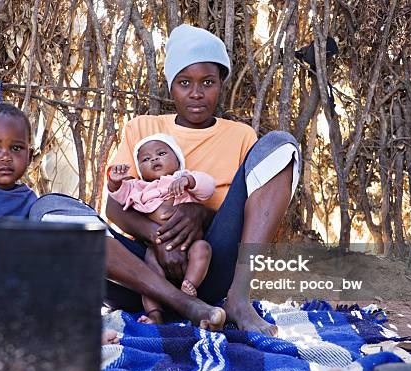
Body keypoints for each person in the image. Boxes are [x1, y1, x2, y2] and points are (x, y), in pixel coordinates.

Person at [104, 24, 301, 335]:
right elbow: (113, 208)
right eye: (184, 83)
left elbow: (240, 213)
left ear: (221, 84)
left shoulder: (240, 136)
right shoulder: (142, 128)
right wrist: (162, 237)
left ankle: (238, 299)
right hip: (144, 272)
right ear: (171, 87)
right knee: (57, 211)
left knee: (281, 145)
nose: (196, 93)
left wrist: (202, 213)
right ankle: (182, 305)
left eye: (208, 82)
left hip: (212, 267)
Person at [108, 133, 215, 324]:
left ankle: (189, 287)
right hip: (154, 248)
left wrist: (189, 181)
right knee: (149, 270)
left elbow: (208, 187)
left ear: (178, 159)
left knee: (202, 249)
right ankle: (154, 314)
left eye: (161, 153)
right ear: (140, 169)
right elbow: (118, 196)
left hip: (188, 242)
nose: (154, 159)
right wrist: (115, 182)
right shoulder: (138, 187)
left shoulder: (181, 178)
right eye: (146, 159)